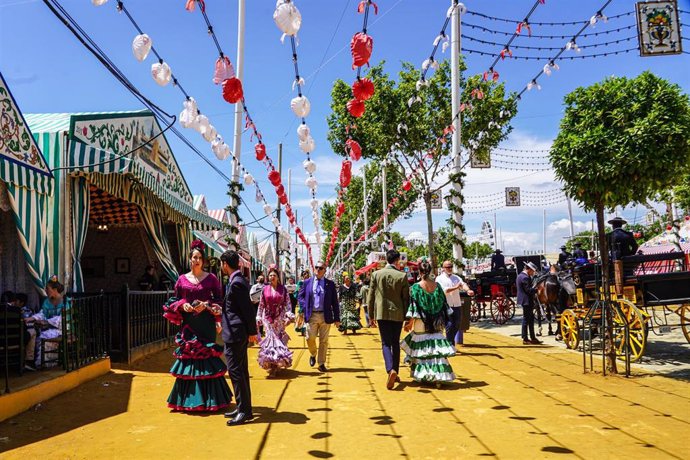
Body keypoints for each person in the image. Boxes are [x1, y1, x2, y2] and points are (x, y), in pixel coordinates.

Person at [162, 240, 231, 413]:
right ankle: (188, 400)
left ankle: (211, 400)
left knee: (206, 356)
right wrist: (182, 304)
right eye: (194, 257)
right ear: (190, 259)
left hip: (206, 323)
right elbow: (174, 300)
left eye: (200, 257)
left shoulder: (212, 279)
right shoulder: (182, 279)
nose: (197, 260)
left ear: (204, 260)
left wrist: (207, 305)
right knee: (189, 357)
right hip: (189, 324)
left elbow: (219, 300)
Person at [401, 260, 456, 385]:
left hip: (421, 321)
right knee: (436, 349)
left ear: (419, 272)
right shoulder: (437, 286)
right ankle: (438, 377)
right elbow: (444, 305)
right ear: (430, 271)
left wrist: (409, 322)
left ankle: (423, 375)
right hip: (437, 321)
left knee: (422, 349)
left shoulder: (415, 287)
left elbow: (413, 307)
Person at [220, 250, 259, 426]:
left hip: (236, 334)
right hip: (234, 332)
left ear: (225, 264)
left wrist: (253, 331)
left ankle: (244, 410)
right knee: (240, 372)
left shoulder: (237, 283)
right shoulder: (236, 281)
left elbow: (247, 310)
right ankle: (244, 408)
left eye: (221, 264)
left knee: (237, 372)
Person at [367, 249, 410, 390]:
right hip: (397, 313)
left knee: (385, 343)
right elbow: (406, 298)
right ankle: (395, 371)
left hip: (381, 313)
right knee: (395, 343)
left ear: (386, 259)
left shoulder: (376, 274)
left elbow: (371, 296)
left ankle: (390, 369)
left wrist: (370, 315)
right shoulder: (402, 276)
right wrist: (407, 316)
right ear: (397, 260)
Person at [298, 261, 340, 372]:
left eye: (321, 268)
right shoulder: (307, 283)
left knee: (324, 341)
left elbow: (335, 302)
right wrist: (304, 306)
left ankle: (321, 363)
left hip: (325, 316)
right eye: (316, 267)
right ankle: (313, 353)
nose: (318, 269)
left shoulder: (330, 284)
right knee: (309, 338)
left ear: (325, 271)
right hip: (311, 315)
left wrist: (337, 318)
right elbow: (300, 296)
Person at [24, 276, 71, 369]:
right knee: (39, 334)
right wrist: (31, 318)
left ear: (55, 289)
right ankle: (42, 362)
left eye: (47, 288)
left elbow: (62, 318)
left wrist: (46, 321)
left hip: (63, 328)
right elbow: (42, 313)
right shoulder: (47, 301)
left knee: (43, 336)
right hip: (51, 328)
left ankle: (43, 363)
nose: (45, 290)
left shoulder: (65, 301)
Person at [256, 266, 294, 376]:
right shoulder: (265, 289)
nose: (272, 277)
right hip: (267, 319)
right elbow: (261, 304)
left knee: (278, 341)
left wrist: (288, 316)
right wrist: (258, 316)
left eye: (274, 275)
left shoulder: (283, 289)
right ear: (268, 277)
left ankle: (277, 364)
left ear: (278, 277)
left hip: (279, 319)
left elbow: (288, 304)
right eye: (270, 275)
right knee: (270, 341)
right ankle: (272, 366)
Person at [436, 260, 474, 348]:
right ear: (443, 268)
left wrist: (468, 290)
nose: (450, 268)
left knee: (457, 324)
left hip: (457, 304)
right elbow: (444, 291)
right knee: (449, 325)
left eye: (451, 267)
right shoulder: (439, 279)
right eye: (448, 267)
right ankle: (450, 345)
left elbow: (463, 284)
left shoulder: (456, 277)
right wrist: (456, 287)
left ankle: (448, 341)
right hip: (446, 305)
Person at [517, 261, 541, 345]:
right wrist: (537, 290)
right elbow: (528, 290)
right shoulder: (525, 278)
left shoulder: (520, 276)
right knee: (526, 320)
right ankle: (525, 338)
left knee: (530, 320)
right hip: (527, 300)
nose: (533, 273)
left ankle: (532, 337)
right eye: (532, 271)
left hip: (526, 300)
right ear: (529, 270)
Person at [294, 270, 310, 336]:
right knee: (302, 314)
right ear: (302, 276)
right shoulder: (300, 282)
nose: (306, 275)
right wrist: (299, 299)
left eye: (307, 274)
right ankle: (302, 329)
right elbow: (297, 292)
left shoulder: (311, 282)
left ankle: (307, 329)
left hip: (309, 300)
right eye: (304, 274)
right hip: (302, 301)